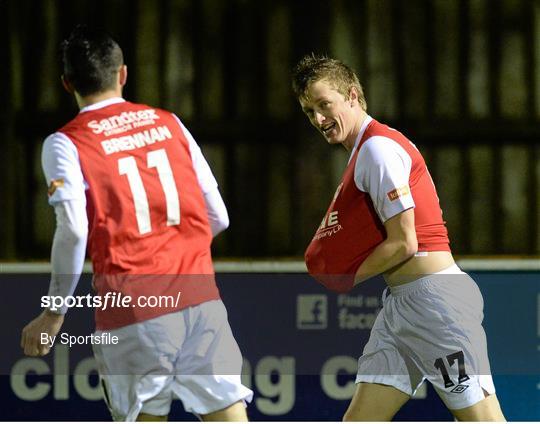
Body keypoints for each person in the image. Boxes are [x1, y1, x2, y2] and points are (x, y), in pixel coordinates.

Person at [20, 25, 252, 421]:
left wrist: (54, 312)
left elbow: (74, 230)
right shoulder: (170, 123)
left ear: (66, 83)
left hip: (135, 307)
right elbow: (219, 217)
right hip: (200, 299)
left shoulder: (65, 142)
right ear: (122, 74)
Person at [292, 54, 505, 421]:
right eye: (310, 112)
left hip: (435, 304)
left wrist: (346, 277)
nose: (319, 120)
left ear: (353, 95)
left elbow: (405, 242)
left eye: (324, 105)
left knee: (483, 419)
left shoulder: (377, 149)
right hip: (402, 307)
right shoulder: (364, 151)